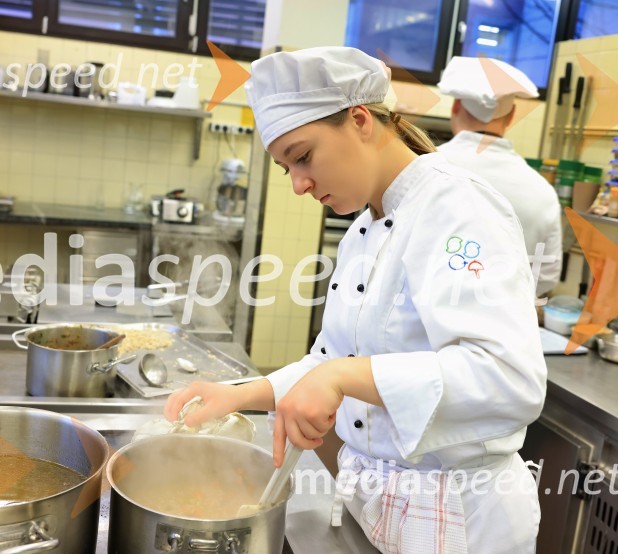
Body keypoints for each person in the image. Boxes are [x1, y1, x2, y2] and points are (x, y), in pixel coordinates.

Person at [165, 47, 546, 553]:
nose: (299, 184)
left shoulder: (459, 209)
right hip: (377, 511)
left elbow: (507, 379)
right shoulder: (362, 229)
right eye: (286, 169)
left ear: (361, 120)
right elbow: (330, 360)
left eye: (302, 157)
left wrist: (342, 377)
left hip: (458, 520)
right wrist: (240, 394)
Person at [437, 56, 562, 297]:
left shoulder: (423, 166)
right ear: (511, 115)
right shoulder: (542, 191)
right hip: (503, 327)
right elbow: (546, 278)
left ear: (455, 107)